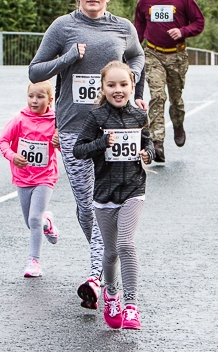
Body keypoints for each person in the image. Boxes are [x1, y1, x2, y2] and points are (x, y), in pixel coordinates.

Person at [29, 0, 145, 310]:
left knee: (102, 200)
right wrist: (69, 58)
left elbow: (136, 55)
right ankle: (107, 255)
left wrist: (131, 80)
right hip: (75, 128)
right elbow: (36, 71)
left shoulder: (123, 27)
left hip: (115, 129)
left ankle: (97, 276)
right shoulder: (63, 27)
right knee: (86, 206)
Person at [74, 61, 154, 330]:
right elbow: (79, 150)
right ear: (103, 88)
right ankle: (110, 295)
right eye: (112, 85)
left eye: (123, 85)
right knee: (110, 253)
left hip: (134, 188)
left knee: (126, 244)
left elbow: (149, 142)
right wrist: (101, 143)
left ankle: (131, 305)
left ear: (132, 87)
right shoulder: (96, 118)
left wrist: (148, 154)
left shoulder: (139, 116)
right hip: (105, 192)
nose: (118, 90)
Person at [134, 0, 205, 162]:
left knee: (175, 99)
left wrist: (183, 31)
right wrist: (132, 50)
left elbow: (199, 22)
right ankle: (157, 143)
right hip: (153, 53)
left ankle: (178, 123)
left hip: (177, 55)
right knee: (157, 96)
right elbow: (138, 26)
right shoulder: (145, 1)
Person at [0, 81, 59, 278]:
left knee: (34, 219)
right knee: (31, 222)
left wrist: (60, 141)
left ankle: (34, 261)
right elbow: (3, 141)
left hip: (45, 177)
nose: (34, 100)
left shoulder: (56, 121)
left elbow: (66, 147)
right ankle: (47, 223)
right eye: (31, 96)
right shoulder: (19, 120)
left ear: (50, 100)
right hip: (23, 177)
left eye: (40, 97)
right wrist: (13, 156)